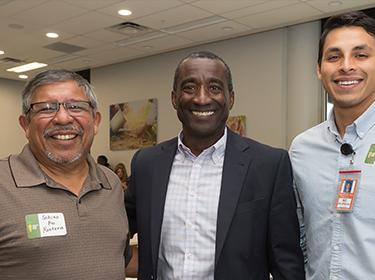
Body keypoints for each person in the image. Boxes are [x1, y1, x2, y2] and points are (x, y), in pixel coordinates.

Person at [125, 51, 305, 280]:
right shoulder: (147, 164)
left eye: (214, 88)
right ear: (174, 98)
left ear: (230, 97)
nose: (202, 98)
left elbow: (286, 263)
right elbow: (115, 234)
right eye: (189, 88)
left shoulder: (268, 165)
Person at [290, 11, 375, 280]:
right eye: (334, 56)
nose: (346, 66)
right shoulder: (302, 149)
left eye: (361, 55)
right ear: (319, 69)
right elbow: (299, 237)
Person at [0, 69, 129, 279]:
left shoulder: (110, 183)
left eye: (75, 106)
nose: (62, 118)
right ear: (25, 124)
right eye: (46, 108)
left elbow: (114, 257)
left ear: (95, 121)